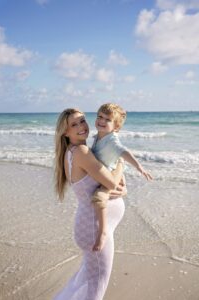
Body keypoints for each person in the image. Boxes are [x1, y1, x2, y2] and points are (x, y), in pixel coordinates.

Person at [54, 108, 126, 300]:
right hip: (95, 229)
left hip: (88, 225)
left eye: (82, 121)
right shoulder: (82, 152)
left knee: (86, 279)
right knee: (96, 285)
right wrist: (121, 163)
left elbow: (105, 183)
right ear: (65, 132)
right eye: (74, 124)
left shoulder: (70, 151)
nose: (81, 127)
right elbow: (111, 183)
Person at [91, 103, 153, 252]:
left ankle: (102, 232)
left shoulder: (112, 140)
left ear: (116, 127)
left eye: (108, 120)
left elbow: (124, 152)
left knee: (99, 196)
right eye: (100, 117)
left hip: (111, 173)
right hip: (110, 169)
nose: (102, 121)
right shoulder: (99, 135)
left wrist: (139, 167)